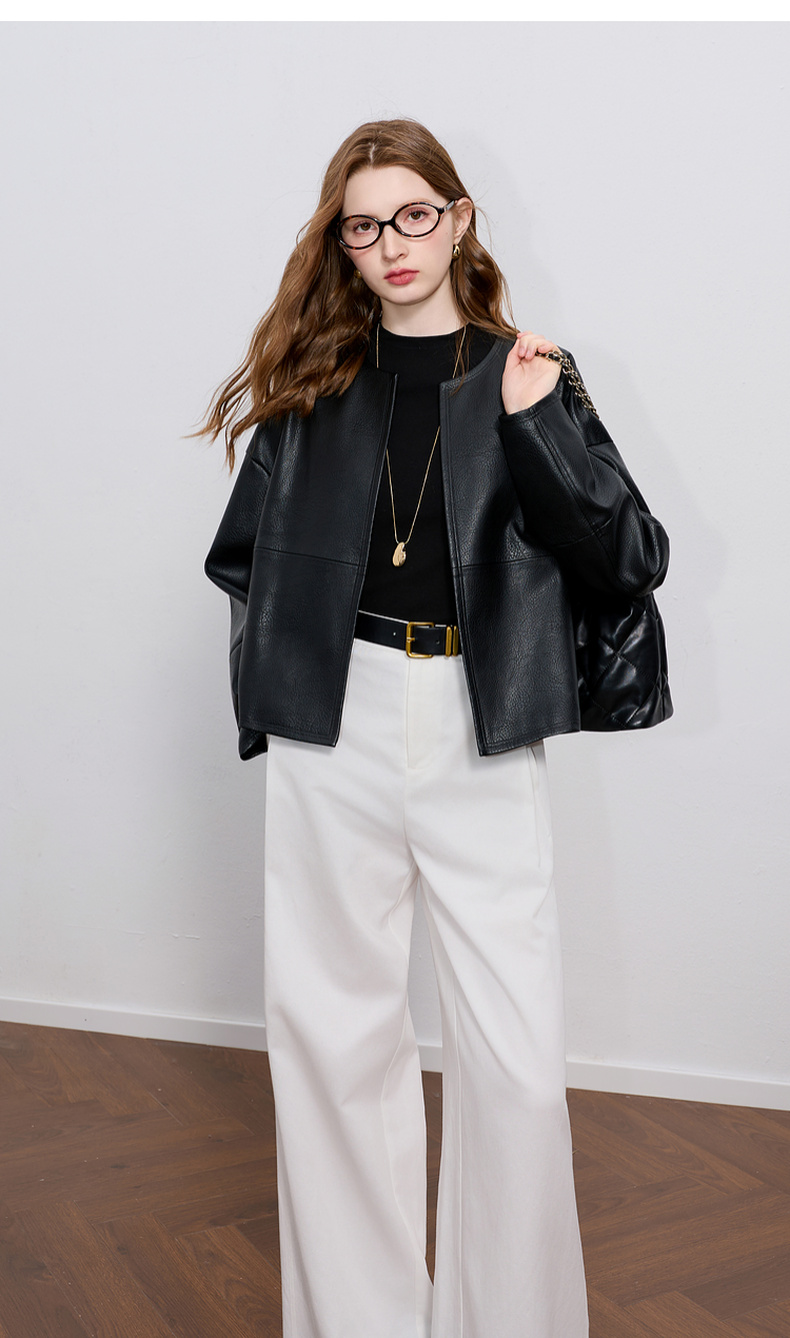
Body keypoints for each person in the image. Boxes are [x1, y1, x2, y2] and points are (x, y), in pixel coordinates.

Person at [201, 118, 670, 1338]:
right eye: (365, 225)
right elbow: (243, 558)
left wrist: (536, 426)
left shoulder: (528, 370)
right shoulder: (315, 384)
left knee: (513, 1064)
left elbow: (630, 558)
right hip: (333, 722)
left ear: (458, 219)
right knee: (331, 1045)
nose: (392, 243)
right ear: (343, 245)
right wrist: (277, 701)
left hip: (476, 720)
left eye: (414, 214)